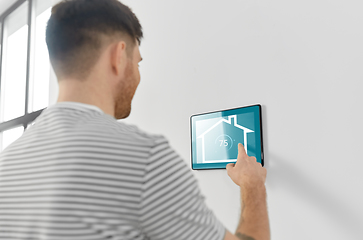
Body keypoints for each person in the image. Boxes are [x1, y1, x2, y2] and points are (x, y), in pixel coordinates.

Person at [0, 0, 270, 239]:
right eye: (138, 62)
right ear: (118, 56)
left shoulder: (8, 162)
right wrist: (252, 184)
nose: (138, 74)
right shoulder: (145, 157)